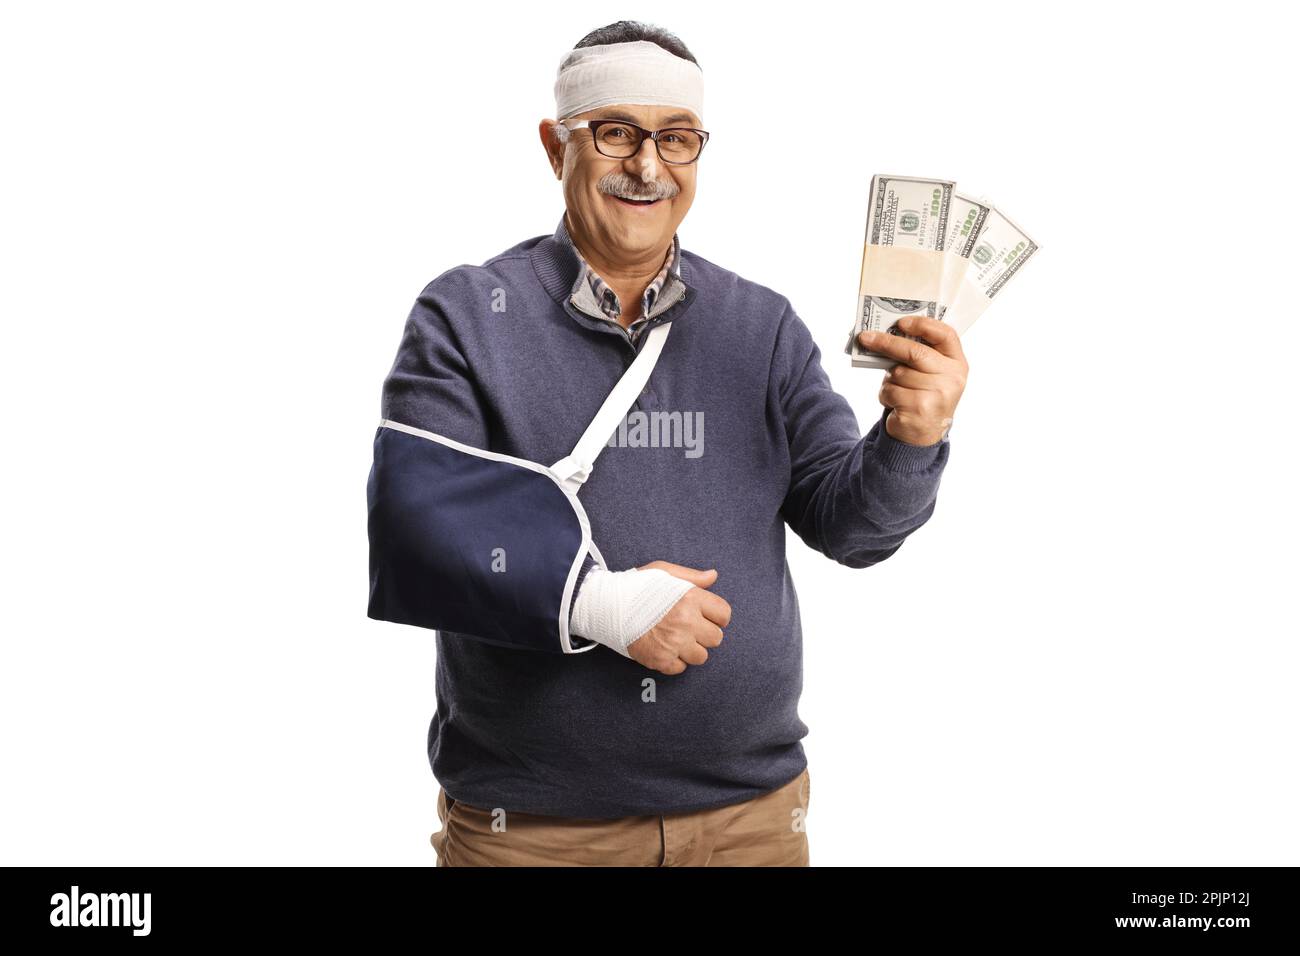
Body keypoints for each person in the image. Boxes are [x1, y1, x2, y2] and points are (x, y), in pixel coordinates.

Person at [369, 20, 968, 866]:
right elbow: (417, 535)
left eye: (677, 139)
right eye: (616, 132)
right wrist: (603, 604)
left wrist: (912, 437)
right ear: (556, 146)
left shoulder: (759, 325)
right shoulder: (468, 315)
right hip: (534, 834)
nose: (649, 166)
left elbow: (853, 529)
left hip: (751, 821)